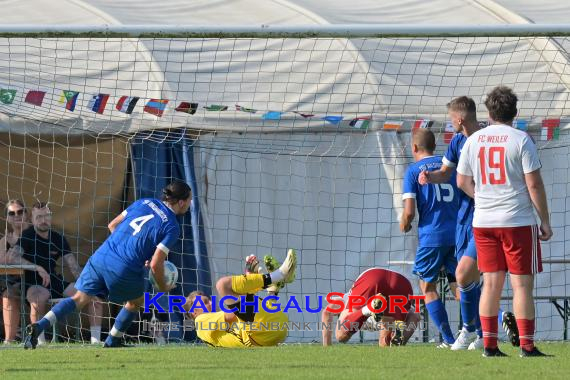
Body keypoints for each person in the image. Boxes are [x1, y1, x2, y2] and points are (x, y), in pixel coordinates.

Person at [23, 180, 192, 349]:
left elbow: (112, 225)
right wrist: (163, 286)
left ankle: (39, 326)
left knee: (79, 298)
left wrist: (127, 246)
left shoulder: (144, 201)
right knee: (136, 301)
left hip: (101, 256)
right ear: (182, 202)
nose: (190, 203)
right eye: (190, 200)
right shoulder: (172, 226)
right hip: (123, 267)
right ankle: (113, 340)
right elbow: (156, 265)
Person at [456, 86, 552, 357]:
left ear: (488, 112)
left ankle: (489, 346)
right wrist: (544, 220)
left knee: (491, 284)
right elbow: (533, 184)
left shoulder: (474, 140)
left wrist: (485, 197)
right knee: (521, 285)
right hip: (517, 221)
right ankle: (527, 346)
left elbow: (462, 181)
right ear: (515, 112)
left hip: (484, 222)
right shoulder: (521, 139)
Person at [419, 96, 519, 350]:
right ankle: (486, 330)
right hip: (463, 219)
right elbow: (446, 174)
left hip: (486, 217)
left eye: (451, 118)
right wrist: (430, 177)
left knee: (465, 275)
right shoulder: (457, 142)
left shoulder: (490, 137)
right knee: (468, 278)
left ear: (459, 118)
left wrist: (486, 198)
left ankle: (471, 330)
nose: (449, 123)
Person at [8, 202, 103, 345]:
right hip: (33, 283)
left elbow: (73, 266)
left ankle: (96, 341)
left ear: (51, 217)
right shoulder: (27, 236)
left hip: (55, 281)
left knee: (93, 295)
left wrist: (87, 283)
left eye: (46, 216)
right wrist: (37, 267)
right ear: (32, 219)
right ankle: (38, 341)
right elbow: (12, 257)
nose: (43, 220)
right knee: (38, 298)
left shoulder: (58, 238)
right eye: (39, 217)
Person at [401, 128, 459, 347]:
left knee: (428, 288)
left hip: (431, 237)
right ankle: (481, 331)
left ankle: (449, 339)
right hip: (456, 235)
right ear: (434, 146)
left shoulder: (414, 171)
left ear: (414, 147)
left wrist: (405, 224)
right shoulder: (449, 167)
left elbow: (409, 212)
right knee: (460, 287)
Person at [183, 249, 297, 347]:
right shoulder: (200, 322)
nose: (212, 302)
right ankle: (280, 275)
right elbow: (233, 314)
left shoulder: (216, 321)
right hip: (262, 335)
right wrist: (249, 280)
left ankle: (273, 287)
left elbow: (245, 311)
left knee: (256, 306)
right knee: (222, 285)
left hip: (272, 332)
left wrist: (250, 282)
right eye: (205, 302)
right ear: (194, 312)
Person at [321, 268, 421, 347]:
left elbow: (327, 311)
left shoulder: (346, 299)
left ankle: (368, 309)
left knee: (340, 336)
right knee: (385, 344)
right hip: (402, 283)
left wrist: (327, 346)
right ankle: (398, 341)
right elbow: (415, 316)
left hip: (372, 277)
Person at [0, 200, 31, 343]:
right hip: (10, 279)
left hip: (33, 279)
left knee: (8, 293)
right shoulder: (4, 239)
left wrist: (14, 246)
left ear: (27, 214)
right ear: (7, 217)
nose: (16, 216)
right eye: (11, 213)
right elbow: (2, 263)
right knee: (8, 289)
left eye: (20, 212)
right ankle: (12, 336)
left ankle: (10, 339)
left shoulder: (34, 234)